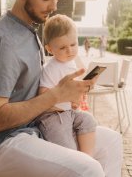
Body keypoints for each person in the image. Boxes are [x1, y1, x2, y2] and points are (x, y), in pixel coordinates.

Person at [0, 0, 122, 177]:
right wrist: (56, 95)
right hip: (0, 142)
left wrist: (71, 91)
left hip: (35, 128)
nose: (53, 7)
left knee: (112, 142)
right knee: (88, 169)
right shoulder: (1, 41)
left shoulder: (29, 31)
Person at [37, 14, 96, 156]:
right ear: (50, 49)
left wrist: (76, 100)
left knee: (88, 120)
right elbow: (42, 95)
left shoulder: (71, 63)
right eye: (63, 47)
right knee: (66, 144)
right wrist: (65, 100)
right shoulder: (50, 68)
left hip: (69, 112)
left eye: (73, 44)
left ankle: (88, 159)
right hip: (53, 116)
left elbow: (72, 90)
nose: (70, 51)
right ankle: (75, 161)